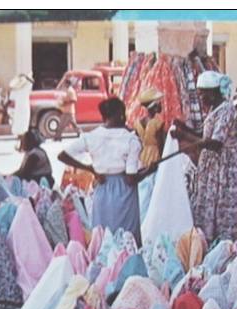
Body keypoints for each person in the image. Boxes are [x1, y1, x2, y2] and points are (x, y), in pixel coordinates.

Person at [171, 71, 237, 242]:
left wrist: (185, 137)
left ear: (212, 93)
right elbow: (203, 134)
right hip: (212, 169)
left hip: (224, 169)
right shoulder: (214, 109)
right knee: (208, 209)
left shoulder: (227, 111)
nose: (201, 98)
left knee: (223, 212)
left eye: (203, 94)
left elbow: (215, 143)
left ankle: (225, 248)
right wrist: (184, 129)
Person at [58, 97, 142, 245]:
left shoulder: (92, 136)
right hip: (124, 191)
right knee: (126, 237)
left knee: (103, 237)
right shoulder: (130, 139)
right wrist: (150, 170)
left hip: (102, 190)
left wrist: (90, 169)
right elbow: (131, 178)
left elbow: (63, 155)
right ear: (121, 115)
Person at [134, 88, 166, 168]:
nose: (161, 105)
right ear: (154, 106)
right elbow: (160, 144)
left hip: (142, 156)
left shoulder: (137, 123)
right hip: (155, 156)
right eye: (159, 103)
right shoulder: (157, 123)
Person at [8, 72, 34, 142]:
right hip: (24, 108)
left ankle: (20, 143)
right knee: (23, 125)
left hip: (18, 109)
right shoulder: (26, 88)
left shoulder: (15, 90)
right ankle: (21, 143)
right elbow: (32, 81)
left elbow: (11, 100)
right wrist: (26, 76)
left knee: (19, 125)